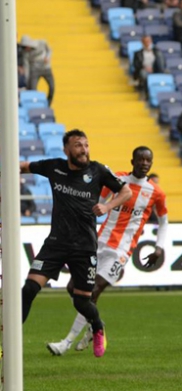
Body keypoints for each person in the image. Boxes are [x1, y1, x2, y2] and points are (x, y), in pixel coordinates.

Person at [19, 129, 133, 358]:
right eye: (78, 145)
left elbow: (126, 191)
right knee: (29, 289)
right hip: (56, 243)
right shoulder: (54, 167)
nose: (84, 149)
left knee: (82, 301)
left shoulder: (98, 170)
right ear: (67, 149)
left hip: (84, 247)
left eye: (86, 145)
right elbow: (23, 166)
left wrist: (108, 206)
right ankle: (10, 340)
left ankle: (98, 326)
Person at [46, 147, 168, 356]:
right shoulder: (118, 180)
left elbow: (164, 221)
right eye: (141, 159)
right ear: (133, 161)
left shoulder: (156, 192)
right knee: (72, 287)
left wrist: (159, 247)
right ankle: (96, 325)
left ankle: (66, 343)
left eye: (149, 160)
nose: (145, 163)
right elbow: (97, 203)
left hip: (121, 249)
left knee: (91, 292)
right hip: (98, 242)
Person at [20, 35, 55, 106]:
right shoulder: (25, 53)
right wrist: (26, 80)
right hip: (35, 70)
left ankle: (48, 104)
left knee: (52, 87)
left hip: (46, 68)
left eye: (26, 46)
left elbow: (49, 50)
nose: (25, 49)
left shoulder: (41, 42)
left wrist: (47, 57)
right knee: (33, 89)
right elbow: (27, 67)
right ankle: (35, 105)